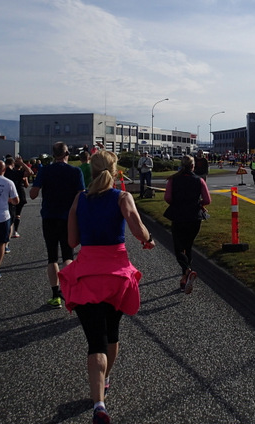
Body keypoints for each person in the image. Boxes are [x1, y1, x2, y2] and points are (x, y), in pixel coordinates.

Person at [59, 150, 155, 424]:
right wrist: (148, 240)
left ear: (90, 170)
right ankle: (106, 378)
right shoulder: (122, 197)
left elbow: (73, 240)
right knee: (112, 334)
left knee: (95, 342)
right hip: (117, 277)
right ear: (115, 171)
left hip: (87, 275)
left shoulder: (80, 199)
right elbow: (137, 228)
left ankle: (98, 403)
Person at [29, 142, 85, 308]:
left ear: (53, 154)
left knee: (52, 256)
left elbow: (33, 194)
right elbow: (81, 196)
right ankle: (70, 292)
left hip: (49, 217)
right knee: (68, 255)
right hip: (69, 218)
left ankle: (55, 295)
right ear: (67, 153)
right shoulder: (76, 171)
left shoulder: (45, 170)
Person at [163, 155, 211, 294]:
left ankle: (187, 270)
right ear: (193, 166)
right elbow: (207, 199)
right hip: (194, 216)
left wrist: (177, 203)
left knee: (178, 247)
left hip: (178, 215)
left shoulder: (173, 180)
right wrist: (198, 204)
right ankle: (185, 278)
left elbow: (168, 198)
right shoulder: (199, 180)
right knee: (188, 246)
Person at [4, 156, 31, 238]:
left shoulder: (4, 172)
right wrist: (22, 163)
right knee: (17, 214)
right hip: (19, 192)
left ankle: (7, 231)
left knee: (9, 213)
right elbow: (30, 173)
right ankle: (15, 231)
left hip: (8, 195)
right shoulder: (17, 173)